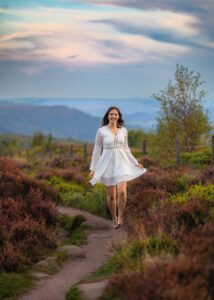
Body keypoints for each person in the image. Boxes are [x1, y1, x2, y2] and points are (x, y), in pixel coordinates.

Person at [89, 106, 147, 229]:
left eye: (116, 114)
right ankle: (114, 218)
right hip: (107, 164)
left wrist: (135, 162)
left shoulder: (123, 130)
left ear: (119, 116)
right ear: (107, 116)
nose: (113, 116)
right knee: (111, 196)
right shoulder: (101, 131)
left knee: (122, 192)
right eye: (111, 114)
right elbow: (97, 149)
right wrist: (93, 168)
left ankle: (120, 216)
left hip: (122, 164)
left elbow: (126, 149)